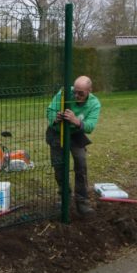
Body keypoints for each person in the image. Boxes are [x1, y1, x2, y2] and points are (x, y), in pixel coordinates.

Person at [45, 75, 101, 217]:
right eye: (75, 91)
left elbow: (90, 126)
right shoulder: (64, 93)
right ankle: (64, 199)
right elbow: (50, 110)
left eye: (80, 93)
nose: (76, 95)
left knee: (81, 165)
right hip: (57, 133)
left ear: (90, 90)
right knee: (59, 166)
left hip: (76, 134)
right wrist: (56, 118)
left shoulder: (94, 104)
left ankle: (82, 202)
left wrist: (76, 121)